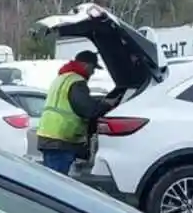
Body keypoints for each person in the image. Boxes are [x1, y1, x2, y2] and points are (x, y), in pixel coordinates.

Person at [33, 48, 124, 176]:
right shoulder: (77, 82)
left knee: (51, 178)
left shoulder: (62, 78)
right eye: (93, 68)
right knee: (57, 181)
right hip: (61, 139)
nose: (92, 73)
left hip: (48, 136)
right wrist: (106, 105)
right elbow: (87, 109)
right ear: (85, 65)